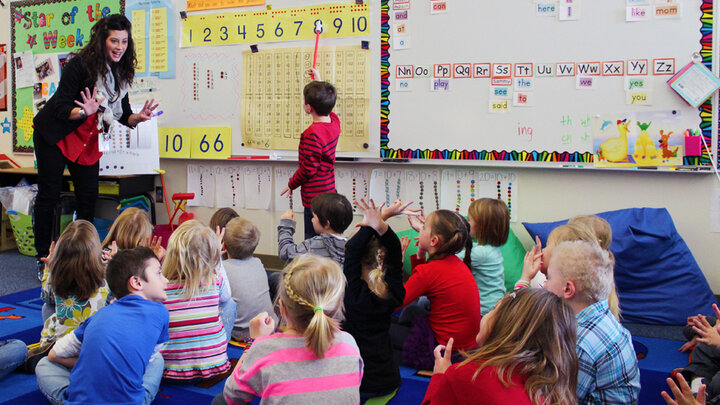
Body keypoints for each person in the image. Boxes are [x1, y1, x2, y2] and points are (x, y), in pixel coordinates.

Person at [32, 14, 158, 276]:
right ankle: (43, 257)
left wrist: (139, 117)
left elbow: (122, 113)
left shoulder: (121, 71)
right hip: (56, 133)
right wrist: (84, 112)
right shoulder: (80, 65)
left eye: (124, 41)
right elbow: (62, 107)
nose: (119, 47)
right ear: (103, 40)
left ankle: (83, 259)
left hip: (88, 137)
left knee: (87, 197)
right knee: (50, 195)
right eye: (114, 40)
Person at [213, 254, 363, 405]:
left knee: (220, 401)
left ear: (282, 308)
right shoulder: (349, 343)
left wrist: (254, 342)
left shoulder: (265, 349)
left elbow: (231, 395)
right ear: (336, 307)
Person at [35, 247, 169, 405]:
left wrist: (89, 363)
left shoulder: (97, 316)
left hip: (81, 401)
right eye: (159, 273)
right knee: (158, 360)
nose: (166, 280)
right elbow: (147, 361)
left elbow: (54, 355)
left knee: (44, 364)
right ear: (136, 282)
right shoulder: (161, 313)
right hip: (131, 401)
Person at [423, 288, 579, 405]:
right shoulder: (555, 388)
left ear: (505, 325)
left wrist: (441, 378)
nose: (486, 315)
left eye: (494, 309)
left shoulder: (468, 375)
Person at [545, 240, 640, 404]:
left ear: (568, 289)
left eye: (549, 278)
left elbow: (561, 399)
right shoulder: (604, 316)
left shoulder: (580, 344)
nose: (545, 284)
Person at [393, 209, 480, 370]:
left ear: (434, 240)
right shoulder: (451, 261)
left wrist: (395, 266)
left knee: (376, 330)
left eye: (423, 227)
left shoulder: (432, 270)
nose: (419, 229)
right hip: (465, 347)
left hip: (447, 352)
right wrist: (421, 250)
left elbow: (394, 303)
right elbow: (420, 284)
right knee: (410, 312)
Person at [343, 199, 407, 402]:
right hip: (387, 379)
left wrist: (373, 225)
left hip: (360, 383)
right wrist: (380, 225)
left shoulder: (353, 296)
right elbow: (395, 253)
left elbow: (351, 250)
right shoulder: (392, 292)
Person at [27, 220, 110, 372]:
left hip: (61, 348)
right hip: (95, 347)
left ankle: (49, 349)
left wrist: (49, 270)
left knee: (48, 306)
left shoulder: (56, 277)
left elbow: (46, 298)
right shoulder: (107, 277)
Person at [160, 220, 232, 381]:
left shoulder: (161, 289)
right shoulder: (215, 281)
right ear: (212, 257)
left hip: (169, 371)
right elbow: (227, 297)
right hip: (216, 365)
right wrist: (218, 260)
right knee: (230, 304)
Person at [280, 68, 341, 239]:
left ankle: (314, 266)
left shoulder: (311, 134)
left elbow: (308, 169)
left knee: (312, 238)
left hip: (315, 198)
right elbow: (329, 109)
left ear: (308, 107)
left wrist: (292, 184)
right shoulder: (334, 124)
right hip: (330, 191)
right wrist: (319, 80)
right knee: (329, 235)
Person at [517, 221, 621, 320]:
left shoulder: (554, 303)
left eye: (548, 245)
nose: (543, 251)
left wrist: (525, 278)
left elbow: (516, 311)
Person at [223, 216, 277, 341]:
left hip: (243, 333)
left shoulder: (223, 269)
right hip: (269, 323)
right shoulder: (258, 262)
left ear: (224, 246)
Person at [460, 198, 510, 315]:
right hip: (493, 308)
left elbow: (449, 259)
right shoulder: (489, 249)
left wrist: (431, 241)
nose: (466, 223)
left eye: (469, 220)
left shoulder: (482, 253)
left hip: (484, 312)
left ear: (481, 227)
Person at [277, 192, 353, 265]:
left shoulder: (313, 245)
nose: (312, 220)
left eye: (314, 217)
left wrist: (286, 226)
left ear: (326, 224)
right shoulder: (350, 247)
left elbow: (285, 252)